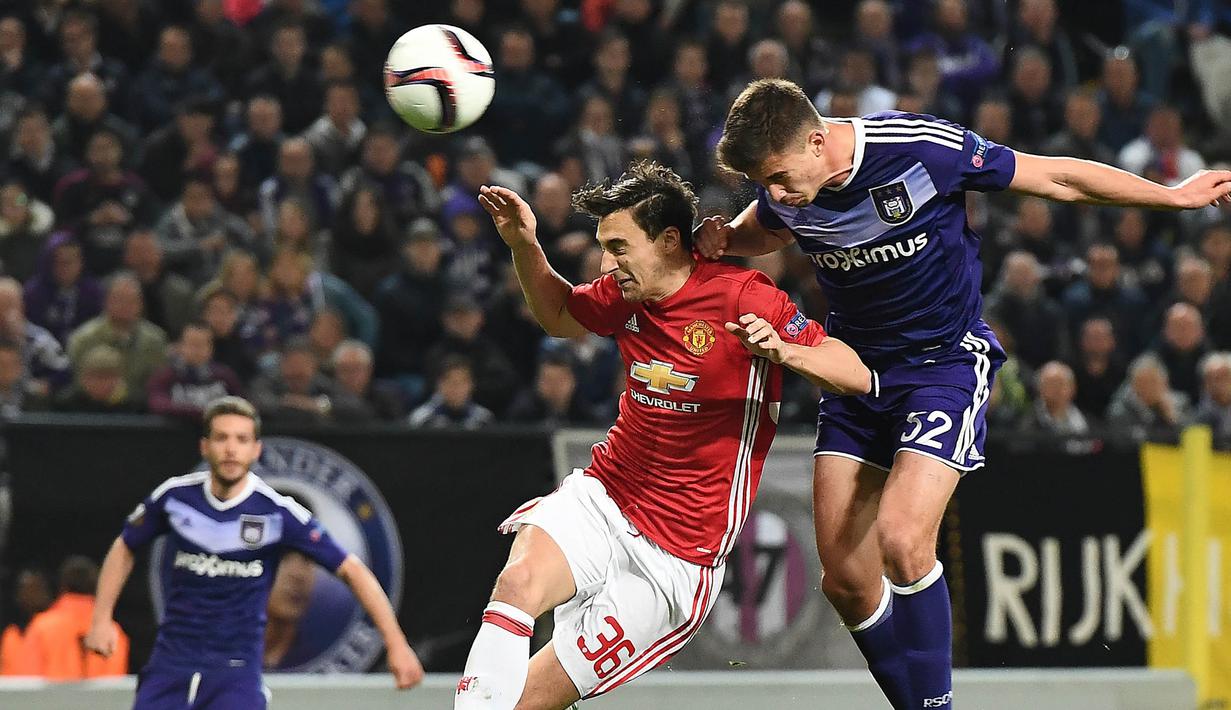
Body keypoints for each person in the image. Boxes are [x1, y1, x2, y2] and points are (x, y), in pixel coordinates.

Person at [698, 78, 1231, 710]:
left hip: (942, 366)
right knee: (844, 580)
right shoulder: (789, 185)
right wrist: (728, 237)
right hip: (851, 372)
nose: (777, 192)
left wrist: (1169, 197)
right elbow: (771, 224)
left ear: (819, 141)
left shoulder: (920, 150)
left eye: (781, 177)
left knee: (902, 539)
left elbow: (1055, 178)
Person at [455, 161, 870, 709]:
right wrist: (524, 244)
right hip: (606, 496)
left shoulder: (742, 296)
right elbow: (558, 314)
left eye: (620, 247)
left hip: (675, 559)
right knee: (515, 587)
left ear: (669, 240)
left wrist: (783, 351)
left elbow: (855, 372)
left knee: (526, 701)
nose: (608, 264)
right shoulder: (625, 293)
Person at [83, 396, 423, 708]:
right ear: (205, 446)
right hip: (170, 665)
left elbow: (353, 569)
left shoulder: (277, 512)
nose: (231, 449)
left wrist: (396, 643)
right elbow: (125, 545)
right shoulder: (174, 497)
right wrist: (101, 619)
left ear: (256, 450)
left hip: (235, 672)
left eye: (241, 440)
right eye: (222, 438)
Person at [22, 556, 129, 680]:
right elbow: (117, 685)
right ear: (97, 588)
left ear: (62, 587)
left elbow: (27, 684)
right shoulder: (113, 631)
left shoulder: (41, 627)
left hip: (52, 699)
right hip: (100, 699)